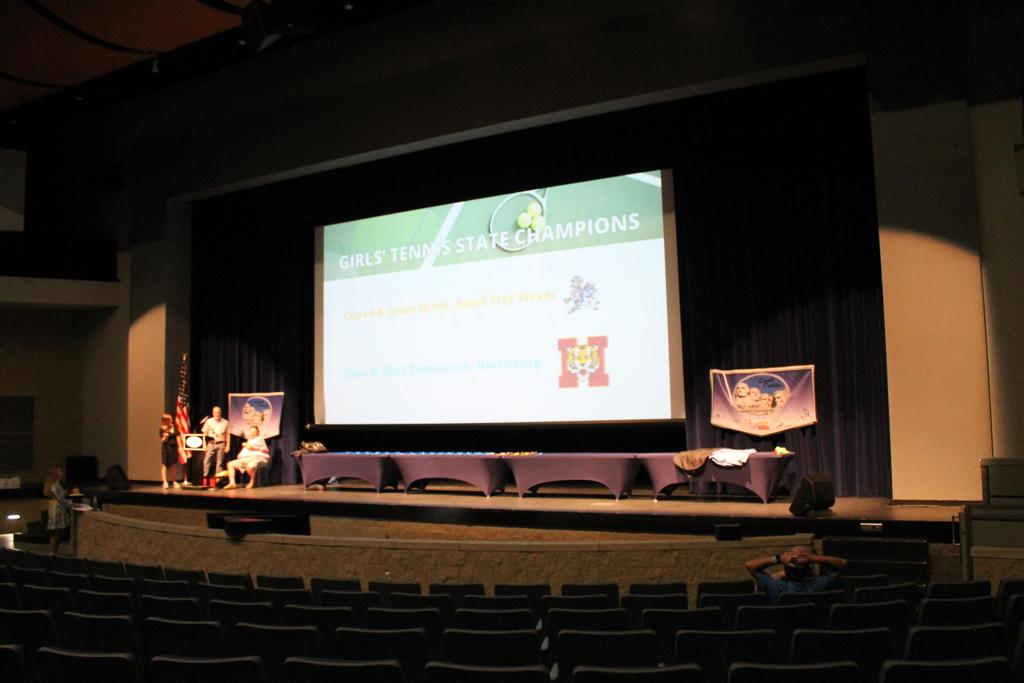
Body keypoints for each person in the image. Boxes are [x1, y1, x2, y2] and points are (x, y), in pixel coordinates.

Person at [744, 545, 847, 604]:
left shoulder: (776, 587)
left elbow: (750, 565)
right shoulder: (820, 584)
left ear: (785, 570)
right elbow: (843, 564)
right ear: (809, 567)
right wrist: (812, 557)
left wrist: (779, 558)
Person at [224, 425, 270, 490]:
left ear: (257, 433)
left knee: (250, 466)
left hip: (257, 458)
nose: (252, 433)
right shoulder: (249, 440)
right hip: (246, 459)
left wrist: (246, 444)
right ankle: (232, 483)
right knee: (230, 464)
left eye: (254, 432)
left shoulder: (259, 439)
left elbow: (252, 447)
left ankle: (252, 482)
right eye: (251, 432)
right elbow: (247, 449)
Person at [43, 466, 72, 557]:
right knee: (57, 533)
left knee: (59, 532)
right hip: (57, 509)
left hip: (56, 508)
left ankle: (54, 551)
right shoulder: (54, 485)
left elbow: (58, 495)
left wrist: (64, 493)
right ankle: (53, 552)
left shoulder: (56, 484)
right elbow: (59, 499)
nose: (62, 473)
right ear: (55, 474)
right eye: (60, 472)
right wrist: (71, 504)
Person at [201, 405, 230, 488]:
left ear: (221, 413)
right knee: (206, 460)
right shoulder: (209, 421)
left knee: (219, 462)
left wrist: (228, 445)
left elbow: (228, 434)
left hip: (221, 443)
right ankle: (205, 478)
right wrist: (204, 445)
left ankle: (217, 480)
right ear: (213, 413)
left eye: (219, 412)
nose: (217, 414)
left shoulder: (225, 422)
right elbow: (204, 433)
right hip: (210, 444)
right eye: (216, 412)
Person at [160, 413, 183, 489]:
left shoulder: (175, 427)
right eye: (170, 420)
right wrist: (165, 436)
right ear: (165, 421)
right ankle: (165, 482)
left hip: (174, 449)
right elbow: (162, 440)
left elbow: (178, 437)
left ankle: (174, 482)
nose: (172, 420)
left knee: (173, 465)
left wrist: (180, 447)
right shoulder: (162, 429)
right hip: (166, 449)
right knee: (164, 466)